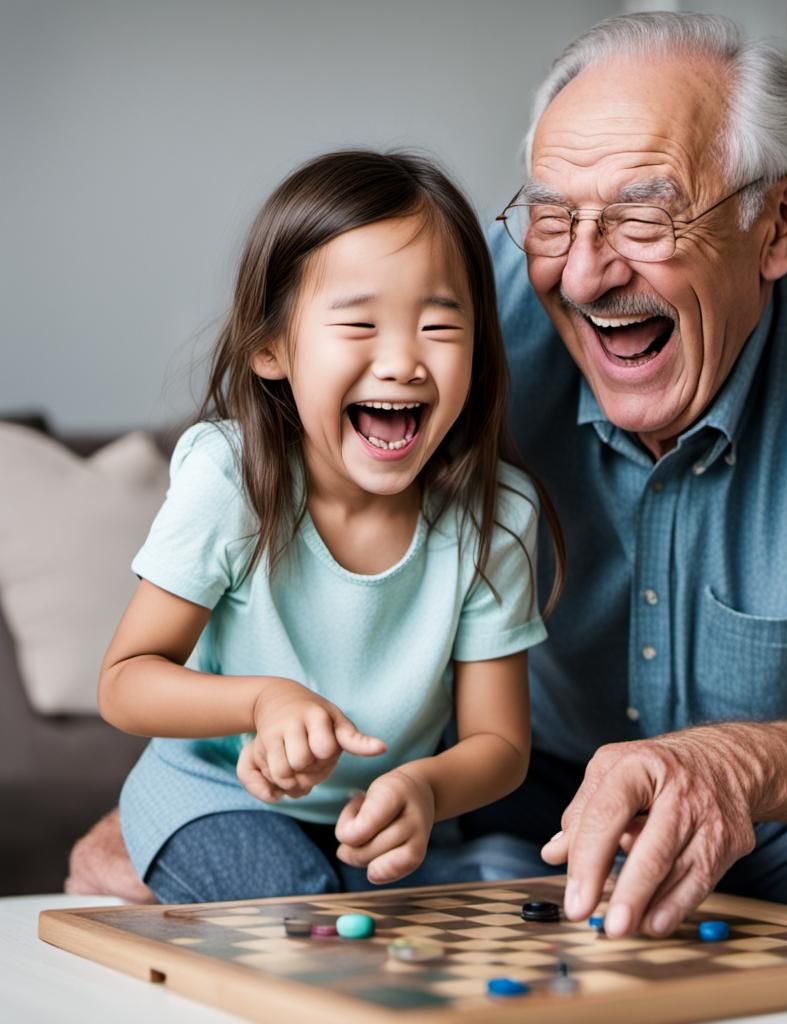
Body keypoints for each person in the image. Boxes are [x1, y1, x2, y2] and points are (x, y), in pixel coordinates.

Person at [70, 12, 787, 947]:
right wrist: (190, 822)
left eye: (646, 214)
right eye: (554, 216)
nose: (583, 274)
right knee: (365, 925)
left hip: (780, 802)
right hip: (535, 794)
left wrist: (741, 765)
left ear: (779, 224)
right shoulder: (465, 314)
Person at [93, 149, 563, 903]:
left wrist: (427, 790)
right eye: (359, 323)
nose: (404, 361)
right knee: (303, 911)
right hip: (211, 798)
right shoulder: (230, 478)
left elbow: (500, 745)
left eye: (440, 325)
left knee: (515, 891)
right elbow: (124, 683)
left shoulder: (496, 517)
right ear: (270, 348)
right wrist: (260, 701)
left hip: (367, 825)